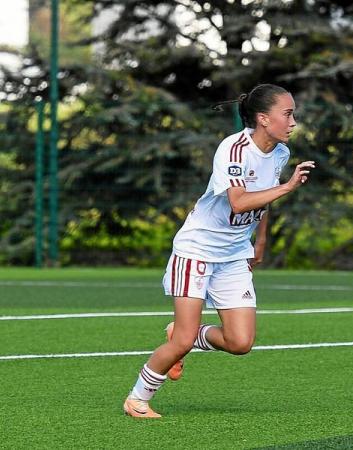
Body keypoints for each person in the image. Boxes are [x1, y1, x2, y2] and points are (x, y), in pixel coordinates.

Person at [123, 84, 315, 418]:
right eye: (287, 114)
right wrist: (287, 187)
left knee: (241, 342)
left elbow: (264, 198)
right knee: (180, 342)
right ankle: (137, 398)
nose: (293, 121)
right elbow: (239, 202)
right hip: (197, 249)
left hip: (234, 253)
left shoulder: (281, 154)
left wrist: (260, 243)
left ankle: (187, 334)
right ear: (263, 119)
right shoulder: (234, 149)